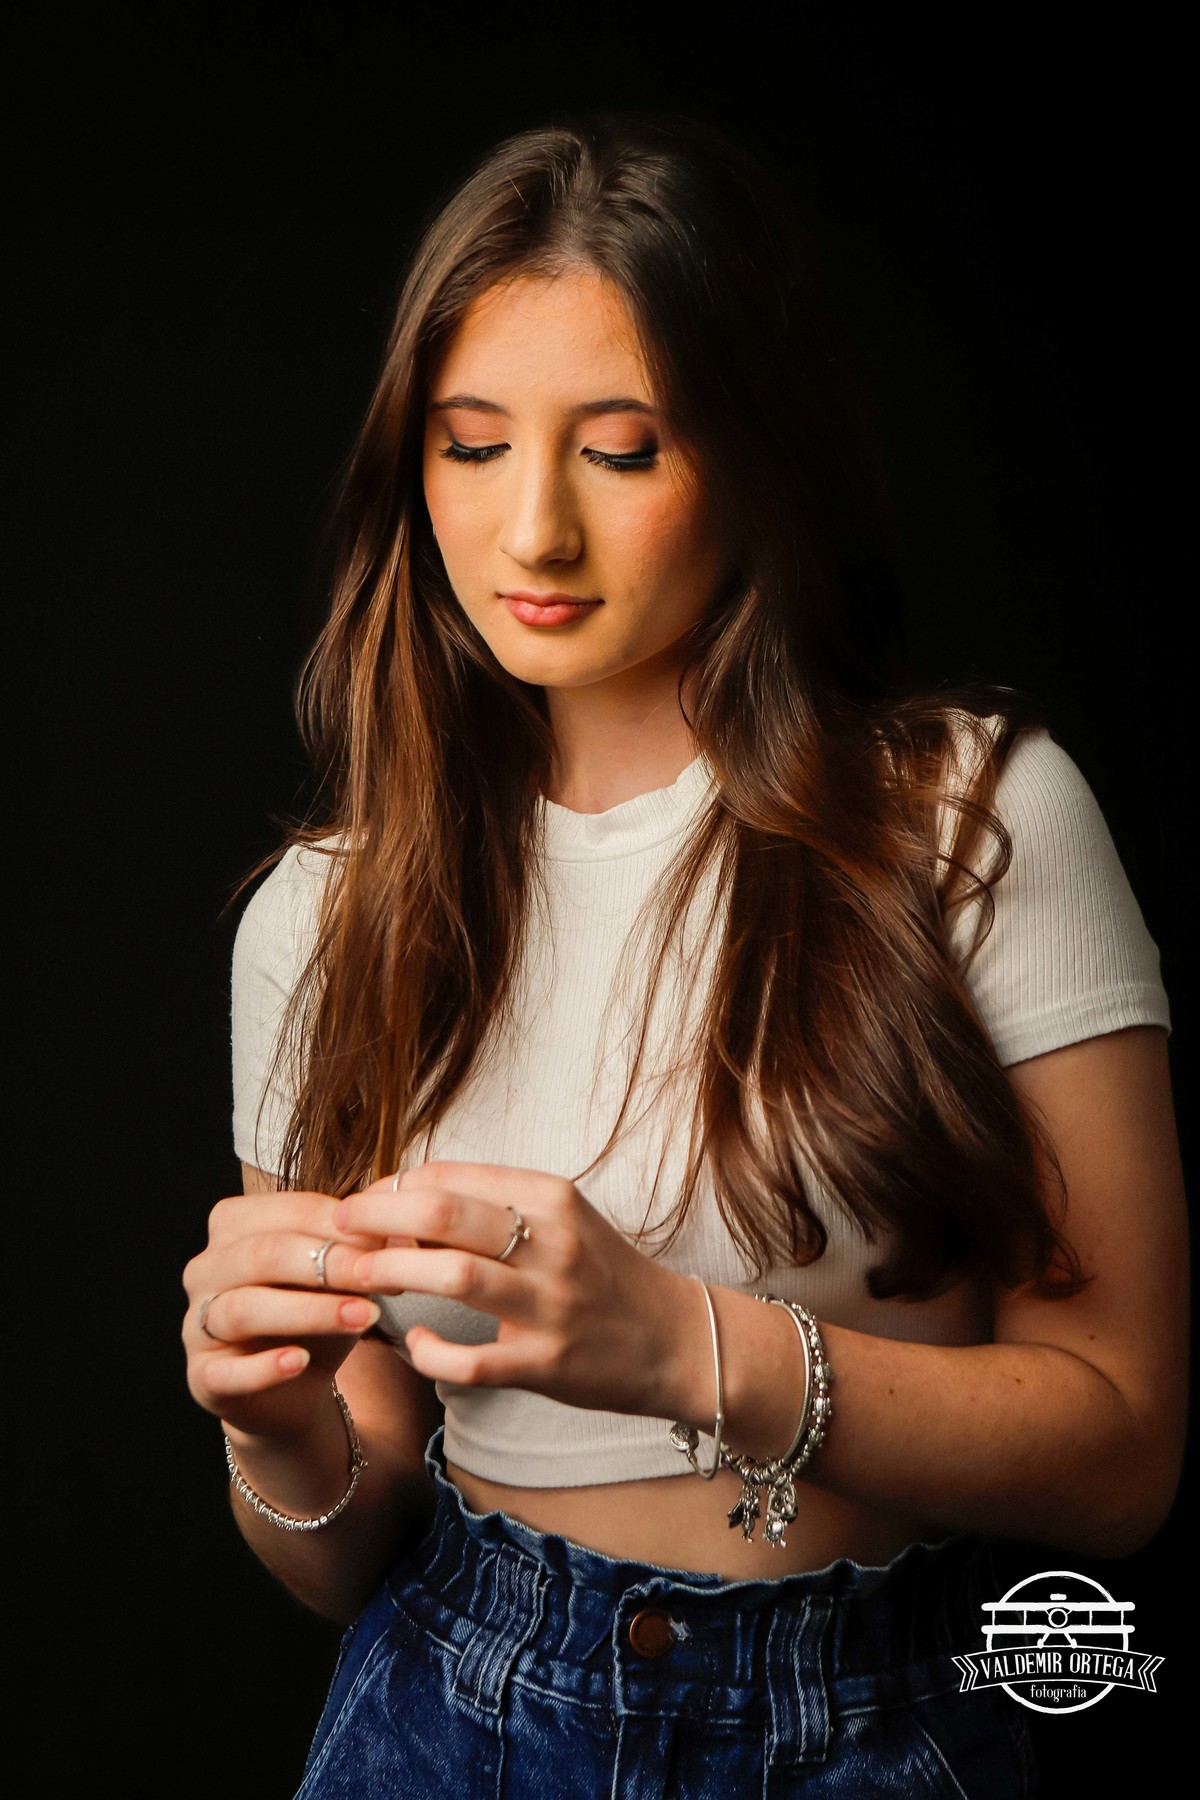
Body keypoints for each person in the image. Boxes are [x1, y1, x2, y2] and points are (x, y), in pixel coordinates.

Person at [182, 113, 1186, 1797]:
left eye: (623, 450)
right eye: (470, 446)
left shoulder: (969, 819)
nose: (533, 533)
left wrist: (681, 1345)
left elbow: (1123, 1447)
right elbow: (345, 1550)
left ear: (758, 452)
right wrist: (275, 1434)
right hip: (448, 1716)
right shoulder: (325, 914)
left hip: (874, 1717)